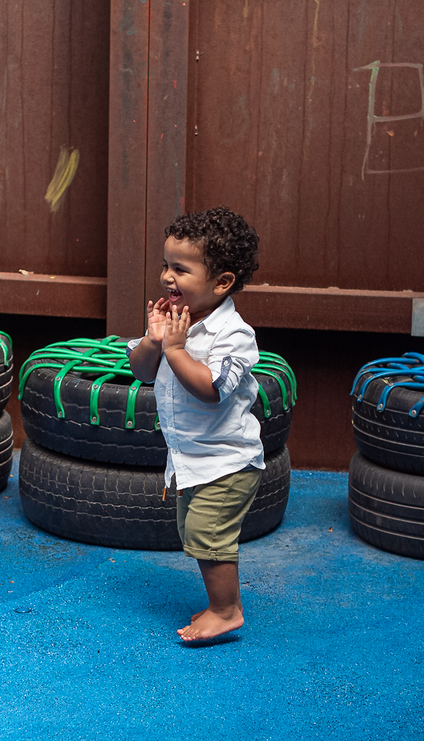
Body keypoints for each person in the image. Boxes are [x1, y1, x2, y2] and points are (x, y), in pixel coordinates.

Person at [127, 206, 264, 642]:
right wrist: (153, 342)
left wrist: (176, 350)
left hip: (228, 460)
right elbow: (142, 372)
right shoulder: (171, 322)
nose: (168, 277)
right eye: (166, 265)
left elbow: (212, 388)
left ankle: (226, 611)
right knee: (192, 531)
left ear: (221, 282)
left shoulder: (234, 334)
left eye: (181, 269)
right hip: (190, 458)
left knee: (208, 532)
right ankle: (221, 603)